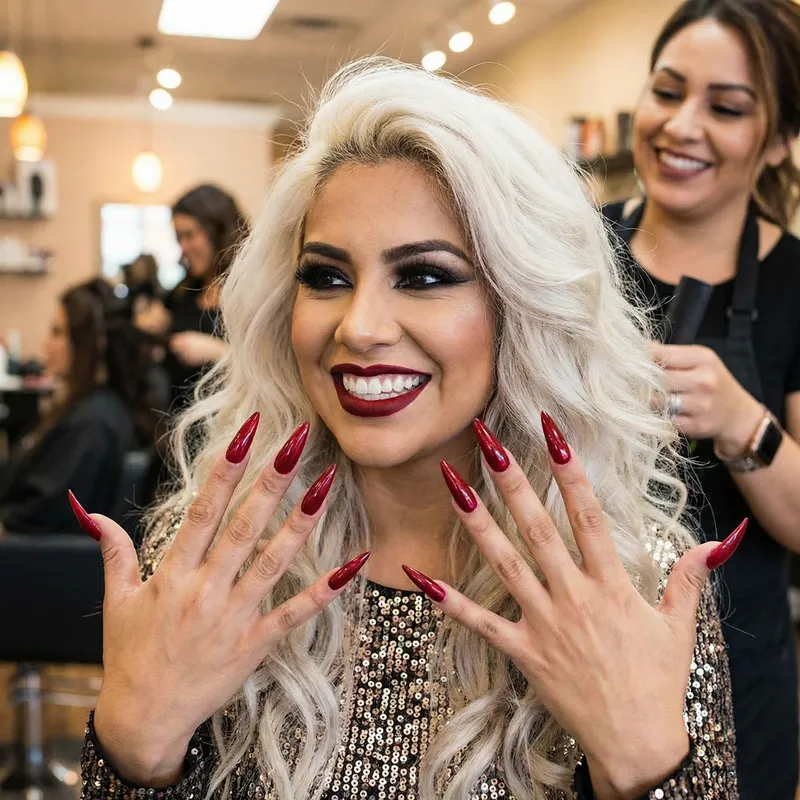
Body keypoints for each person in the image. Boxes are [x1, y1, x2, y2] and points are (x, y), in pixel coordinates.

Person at [75, 60, 742, 800]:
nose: (359, 328)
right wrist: (136, 748)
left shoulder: (630, 581)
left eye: (424, 276)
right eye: (326, 277)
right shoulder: (210, 562)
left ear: (521, 305)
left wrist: (643, 764)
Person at [602, 2, 800, 797]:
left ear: (781, 139)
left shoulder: (794, 283)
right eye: (667, 91)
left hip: (741, 676)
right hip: (581, 662)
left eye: (726, 108)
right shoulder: (570, 257)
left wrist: (743, 425)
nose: (682, 126)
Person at [0, 279, 154, 534]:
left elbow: (44, 513)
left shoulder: (94, 422)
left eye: (58, 332)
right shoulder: (87, 408)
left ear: (90, 343)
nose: (46, 345)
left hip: (31, 557)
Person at [135, 184, 250, 411]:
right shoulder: (185, 290)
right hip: (179, 422)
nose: (183, 247)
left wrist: (217, 352)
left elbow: (270, 373)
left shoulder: (250, 292)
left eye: (189, 235)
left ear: (218, 230)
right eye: (179, 238)